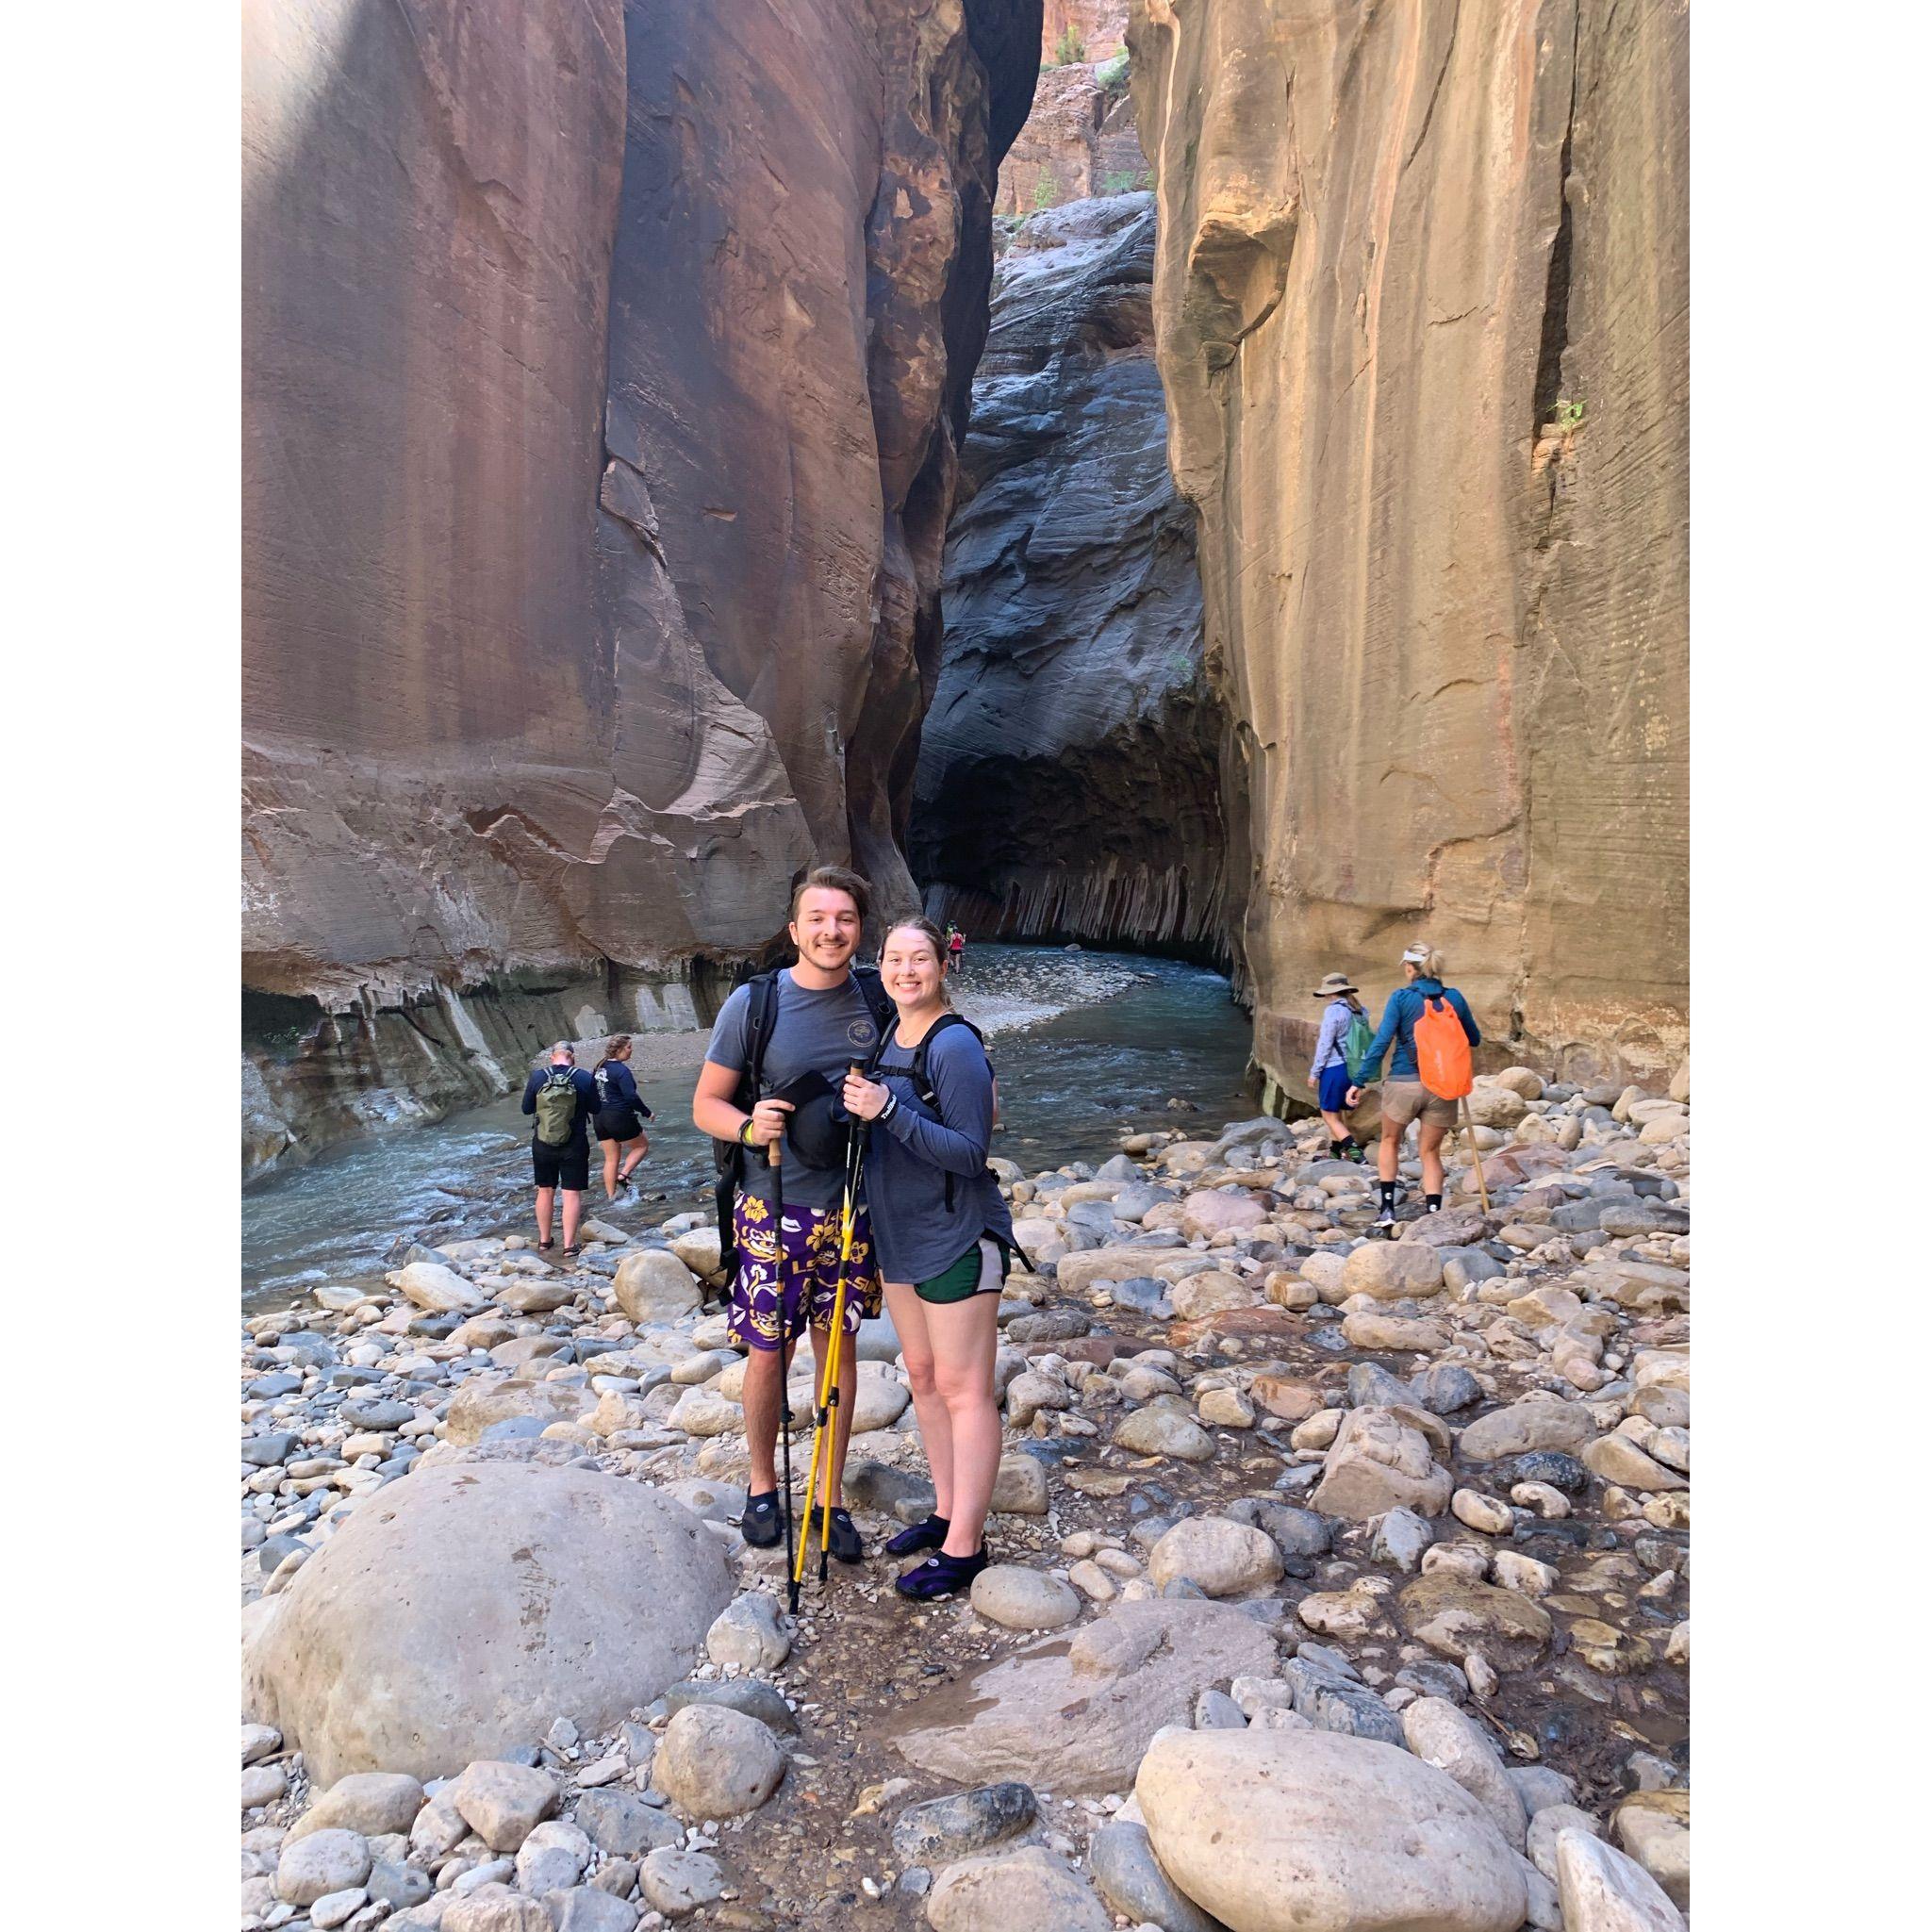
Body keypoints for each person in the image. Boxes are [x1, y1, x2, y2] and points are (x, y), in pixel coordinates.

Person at [692, 867, 890, 1562]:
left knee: (835, 1352)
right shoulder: (755, 1004)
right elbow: (705, 1103)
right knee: (769, 1351)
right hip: (771, 1206)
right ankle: (761, 1486)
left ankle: (828, 1496)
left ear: (859, 928)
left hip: (851, 1208)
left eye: (844, 918)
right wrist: (750, 1126)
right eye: (817, 917)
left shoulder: (879, 996)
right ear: (793, 928)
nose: (830, 930)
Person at [841, 916, 1014, 1599]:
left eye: (919, 959)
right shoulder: (888, 1033)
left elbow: (972, 1151)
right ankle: (946, 1513)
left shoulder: (955, 1046)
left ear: (943, 966)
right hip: (900, 1236)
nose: (905, 970)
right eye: (893, 958)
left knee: (966, 1388)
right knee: (922, 1374)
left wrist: (887, 1112)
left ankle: (966, 1547)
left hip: (955, 1235)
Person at [1346, 944, 1481, 1230]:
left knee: (1389, 1142)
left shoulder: (1401, 998)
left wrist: (1359, 1081)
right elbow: (1474, 1038)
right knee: (1430, 1151)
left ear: (1410, 968)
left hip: (1404, 1083)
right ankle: (1433, 1214)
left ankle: (1386, 1210)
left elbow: (1381, 1042)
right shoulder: (1454, 998)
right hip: (1441, 1086)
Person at [520, 1043, 598, 1257]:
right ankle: (569, 1246)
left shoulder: (537, 1077)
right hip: (574, 1143)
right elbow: (596, 1108)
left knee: (545, 1191)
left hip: (543, 1143)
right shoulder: (583, 1077)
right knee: (571, 1193)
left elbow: (526, 1109)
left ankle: (545, 1241)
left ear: (552, 1057)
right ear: (572, 1057)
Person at [1307, 971, 1368, 1162]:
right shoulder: (1360, 1010)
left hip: (1334, 1068)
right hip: (1353, 1068)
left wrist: (1315, 1072)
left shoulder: (1333, 1011)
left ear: (1331, 993)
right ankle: (1335, 1153)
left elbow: (1325, 1044)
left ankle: (1356, 1154)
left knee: (1329, 1115)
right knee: (1338, 1112)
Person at [592, 1034, 653, 1201]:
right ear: (619, 1050)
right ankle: (623, 1176)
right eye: (628, 1047)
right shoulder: (621, 1071)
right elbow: (630, 1096)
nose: (631, 1050)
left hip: (599, 1117)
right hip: (618, 1116)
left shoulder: (599, 1067)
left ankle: (612, 1197)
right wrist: (647, 1113)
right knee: (641, 1145)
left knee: (611, 1158)